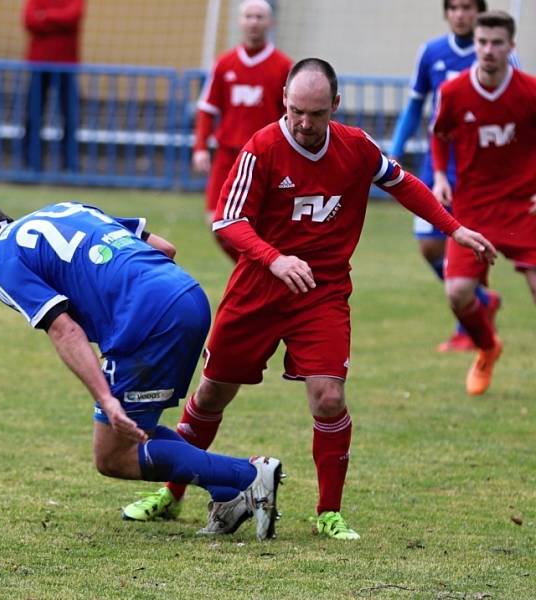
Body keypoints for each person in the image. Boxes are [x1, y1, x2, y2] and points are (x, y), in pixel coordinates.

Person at [123, 58, 495, 540]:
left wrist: (454, 228)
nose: (303, 122)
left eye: (315, 113)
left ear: (335, 107)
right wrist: (274, 258)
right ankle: (170, 495)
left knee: (329, 397)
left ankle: (328, 513)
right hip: (257, 291)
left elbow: (403, 184)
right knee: (213, 392)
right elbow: (227, 221)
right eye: (296, 110)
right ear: (284, 101)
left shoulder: (357, 148)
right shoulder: (262, 148)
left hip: (322, 294)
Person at [0, 201, 284, 540]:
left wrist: (106, 397)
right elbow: (165, 247)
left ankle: (249, 476)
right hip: (186, 295)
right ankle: (227, 496)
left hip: (145, 318)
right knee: (137, 429)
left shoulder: (5, 264)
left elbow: (66, 331)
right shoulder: (66, 209)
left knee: (111, 456)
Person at [390, 0, 511, 353]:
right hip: (438, 165)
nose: (461, 14)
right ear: (447, 12)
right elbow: (415, 104)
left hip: (481, 169)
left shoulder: (495, 54)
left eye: (468, 7)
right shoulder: (431, 52)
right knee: (429, 245)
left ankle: (467, 326)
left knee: (469, 245)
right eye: (454, 7)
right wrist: (396, 148)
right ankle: (482, 300)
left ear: (480, 12)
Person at [431, 10, 536, 396]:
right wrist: (441, 176)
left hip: (524, 207)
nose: (488, 50)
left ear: (511, 46)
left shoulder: (530, 91)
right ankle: (488, 347)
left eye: (496, 43)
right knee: (457, 293)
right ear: (474, 44)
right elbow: (440, 136)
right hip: (473, 209)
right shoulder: (454, 92)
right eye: (482, 42)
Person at [193, 0, 291, 262]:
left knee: (259, 222)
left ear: (271, 23)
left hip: (264, 158)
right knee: (216, 219)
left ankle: (260, 269)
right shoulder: (224, 63)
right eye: (248, 16)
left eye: (259, 17)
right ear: (240, 22)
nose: (254, 22)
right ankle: (255, 267)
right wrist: (201, 147)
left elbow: (289, 115)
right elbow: (207, 108)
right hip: (227, 155)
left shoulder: (283, 66)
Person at [22, 0, 83, 172]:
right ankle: (31, 164)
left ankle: (70, 165)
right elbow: (29, 21)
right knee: (33, 115)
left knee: (70, 116)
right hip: (39, 65)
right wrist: (57, 21)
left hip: (66, 65)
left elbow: (72, 17)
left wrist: (45, 16)